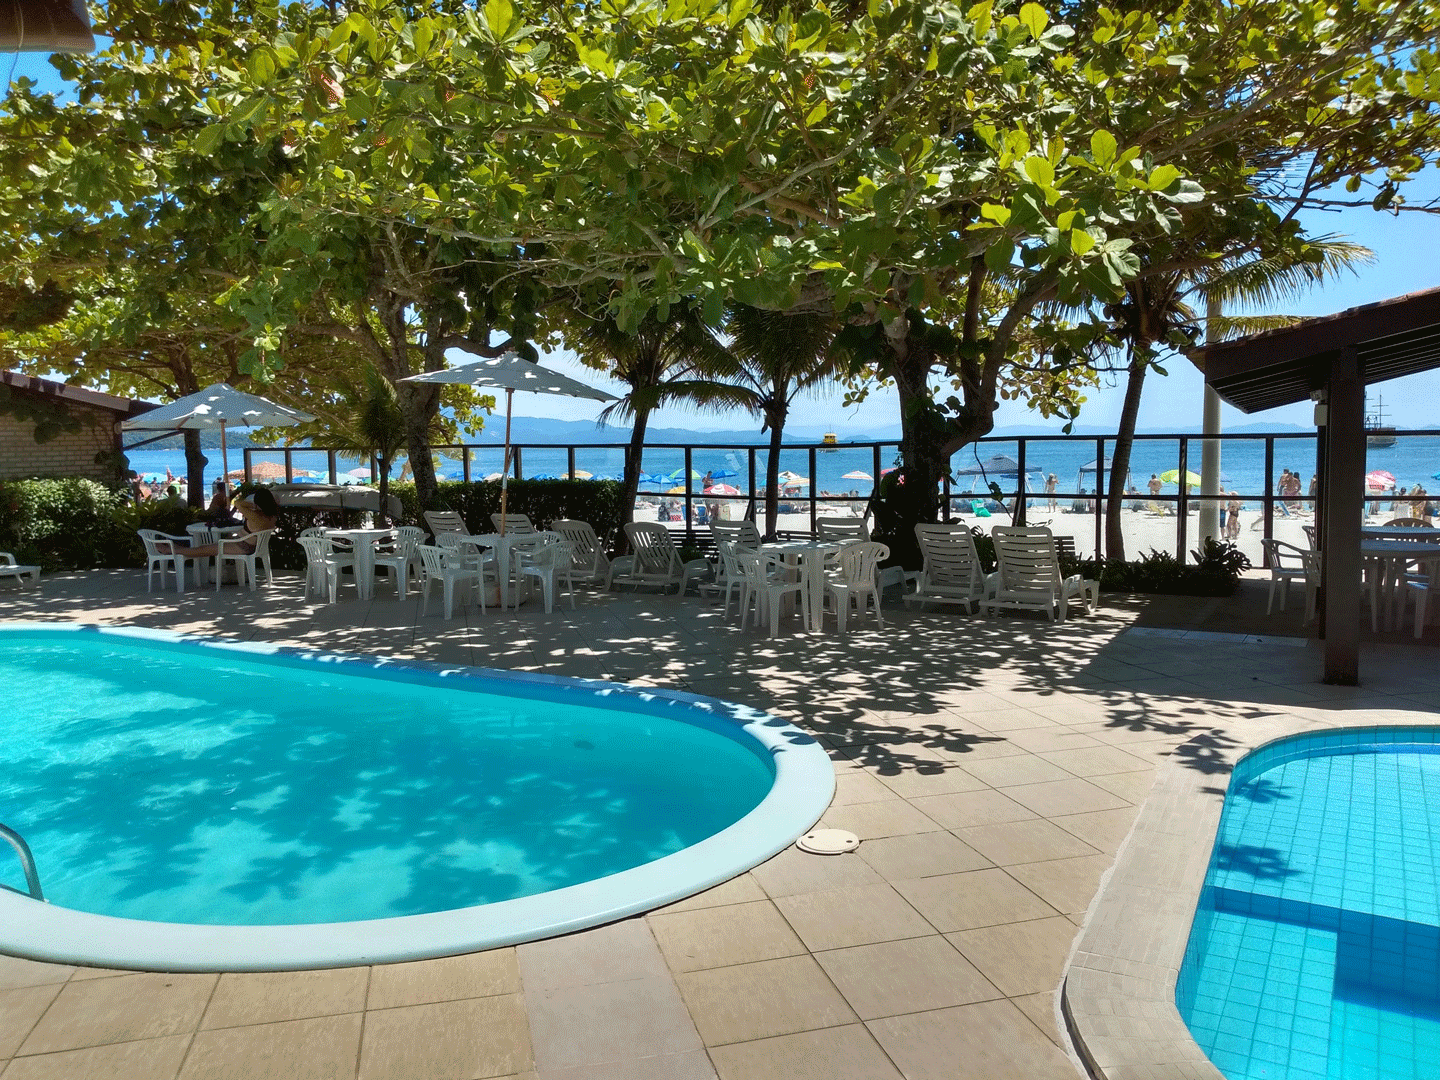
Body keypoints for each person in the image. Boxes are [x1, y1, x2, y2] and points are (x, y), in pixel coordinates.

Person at [182, 488, 280, 559]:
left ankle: (173, 551)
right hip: (253, 547)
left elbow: (237, 503)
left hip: (243, 547)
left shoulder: (255, 515)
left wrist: (254, 505)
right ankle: (174, 550)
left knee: (203, 549)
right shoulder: (272, 516)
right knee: (205, 548)